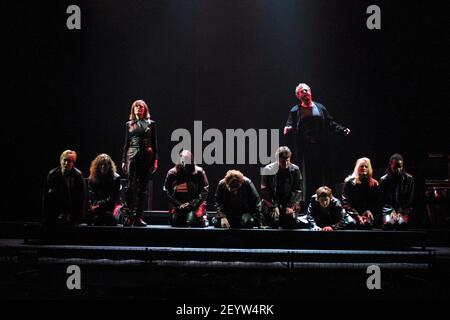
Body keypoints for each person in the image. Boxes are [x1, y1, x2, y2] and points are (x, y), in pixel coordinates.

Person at [283, 83, 350, 201]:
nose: (304, 93)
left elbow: (330, 123)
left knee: (324, 174)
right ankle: (310, 202)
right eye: (301, 92)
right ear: (298, 96)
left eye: (306, 90)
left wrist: (342, 129)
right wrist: (288, 128)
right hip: (306, 149)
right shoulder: (295, 110)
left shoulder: (320, 107)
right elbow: (288, 126)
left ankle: (328, 200)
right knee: (309, 177)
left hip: (321, 147)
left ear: (310, 92)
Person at [121, 99, 158, 227]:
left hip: (146, 157)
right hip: (131, 156)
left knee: (143, 189)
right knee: (131, 187)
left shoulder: (151, 123)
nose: (139, 108)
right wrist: (123, 161)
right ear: (133, 109)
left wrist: (155, 160)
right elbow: (126, 144)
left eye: (141, 107)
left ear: (145, 109)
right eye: (137, 106)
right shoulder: (128, 124)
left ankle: (138, 218)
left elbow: (154, 143)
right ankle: (128, 216)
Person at [260, 146, 308, 229]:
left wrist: (291, 205)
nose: (285, 164)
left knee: (291, 221)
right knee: (273, 221)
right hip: (272, 202)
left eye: (287, 161)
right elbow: (265, 190)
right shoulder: (268, 170)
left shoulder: (295, 169)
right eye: (282, 161)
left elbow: (298, 190)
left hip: (289, 202)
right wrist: (273, 206)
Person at [164, 150, 209, 227]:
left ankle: (202, 218)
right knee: (176, 222)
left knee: (193, 221)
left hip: (195, 205)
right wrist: (179, 204)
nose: (185, 163)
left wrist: (192, 204)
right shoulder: (172, 173)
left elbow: (204, 190)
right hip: (178, 206)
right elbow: (167, 191)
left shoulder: (199, 172)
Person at [42, 150, 86, 226]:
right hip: (56, 211)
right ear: (60, 160)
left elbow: (81, 198)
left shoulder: (78, 175)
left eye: (69, 161)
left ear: (73, 163)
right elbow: (46, 198)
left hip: (72, 212)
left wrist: (77, 217)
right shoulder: (52, 174)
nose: (66, 163)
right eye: (65, 160)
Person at [342, 157, 380, 229]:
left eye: (366, 166)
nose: (364, 168)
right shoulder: (349, 183)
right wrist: (357, 215)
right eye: (362, 166)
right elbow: (346, 202)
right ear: (357, 168)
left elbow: (377, 201)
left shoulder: (374, 184)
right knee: (351, 224)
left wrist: (370, 210)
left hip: (368, 214)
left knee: (368, 224)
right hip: (352, 213)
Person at [380, 154, 414, 230]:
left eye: (400, 167)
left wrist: (400, 211)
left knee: (402, 224)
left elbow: (409, 199)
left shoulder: (409, 179)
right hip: (388, 210)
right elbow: (382, 199)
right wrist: (391, 210)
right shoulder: (384, 180)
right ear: (390, 165)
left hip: (404, 210)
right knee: (388, 224)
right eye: (396, 167)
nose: (398, 169)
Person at [87, 153, 122, 226]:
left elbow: (113, 198)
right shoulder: (92, 179)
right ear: (97, 166)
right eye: (100, 164)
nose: (103, 166)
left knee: (109, 217)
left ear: (109, 166)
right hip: (97, 207)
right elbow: (92, 196)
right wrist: (96, 206)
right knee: (89, 217)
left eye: (105, 165)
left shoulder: (116, 178)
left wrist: (99, 206)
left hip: (111, 206)